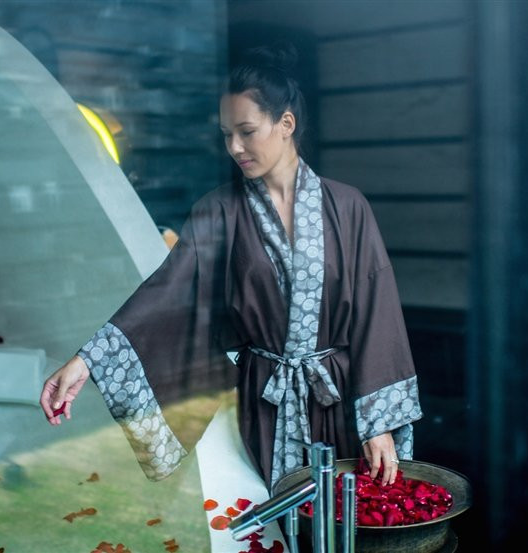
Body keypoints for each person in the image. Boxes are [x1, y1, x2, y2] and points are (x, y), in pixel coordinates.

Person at [40, 42, 422, 492]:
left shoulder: (347, 207)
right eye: (226, 134)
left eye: (247, 131)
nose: (235, 147)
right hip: (264, 406)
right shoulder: (218, 211)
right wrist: (87, 361)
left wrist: (377, 423)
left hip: (336, 399)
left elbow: (377, 314)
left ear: (286, 124)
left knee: (340, 515)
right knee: (267, 513)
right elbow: (167, 292)